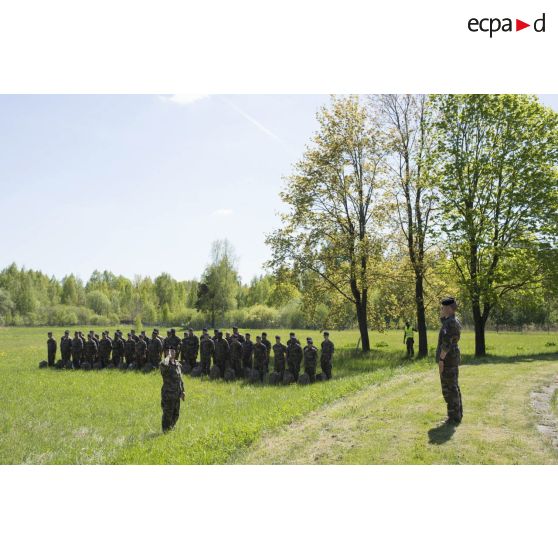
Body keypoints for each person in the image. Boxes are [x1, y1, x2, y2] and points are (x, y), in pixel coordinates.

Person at [436, 297, 463, 425]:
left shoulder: (450, 323)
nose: (441, 310)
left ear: (448, 308)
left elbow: (446, 344)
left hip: (448, 359)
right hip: (451, 359)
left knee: (449, 389)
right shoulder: (452, 321)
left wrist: (441, 359)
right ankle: (456, 415)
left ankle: (454, 417)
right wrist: (443, 316)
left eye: (443, 308)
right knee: (453, 387)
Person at [160, 349, 185, 433]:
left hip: (177, 393)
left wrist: (183, 391)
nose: (171, 352)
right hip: (168, 394)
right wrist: (168, 357)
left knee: (176, 413)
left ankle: (171, 427)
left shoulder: (178, 364)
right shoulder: (164, 364)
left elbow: (180, 379)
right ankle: (165, 430)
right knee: (167, 413)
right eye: (168, 351)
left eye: (173, 351)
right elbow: (164, 363)